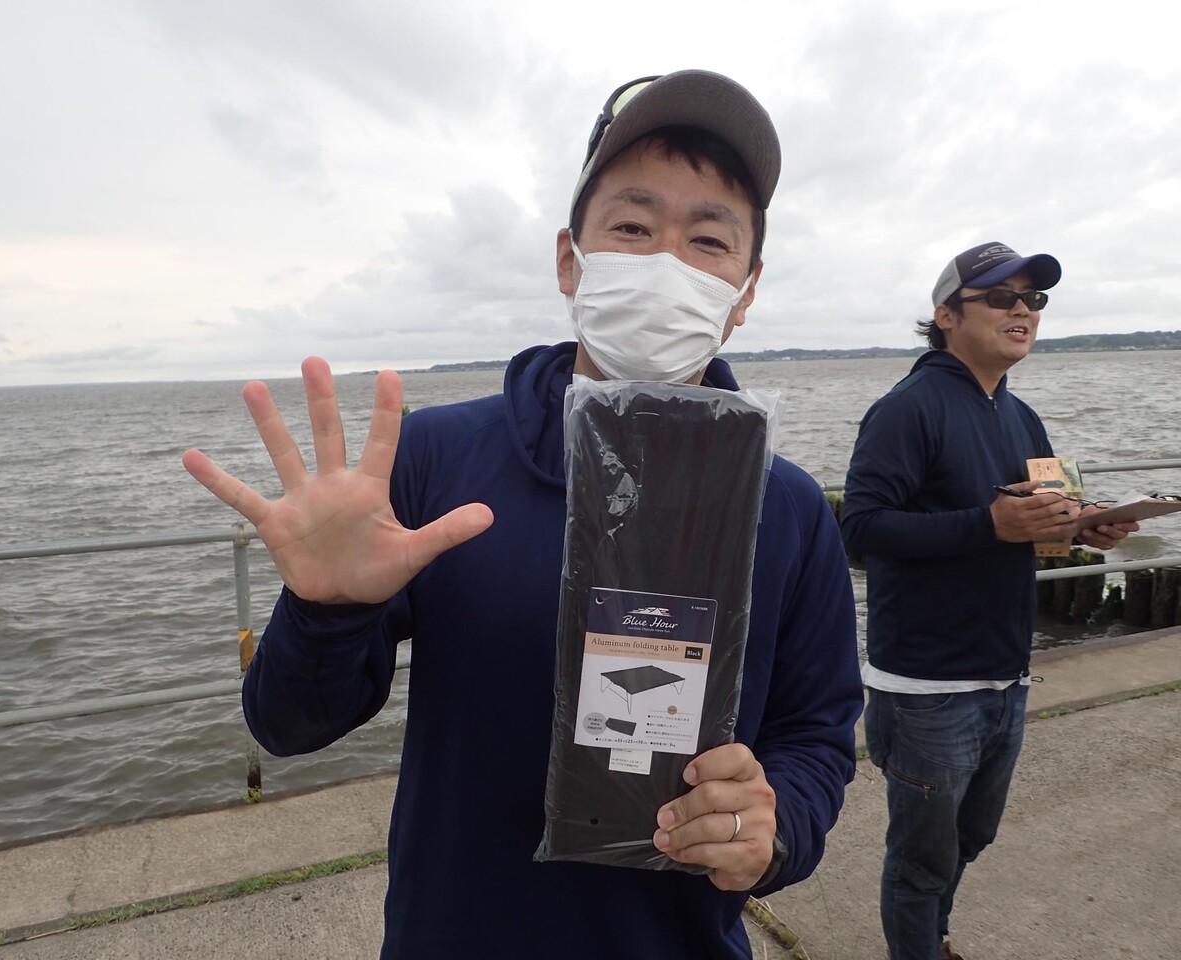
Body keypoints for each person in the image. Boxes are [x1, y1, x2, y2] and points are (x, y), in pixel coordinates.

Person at [184, 70, 863, 959]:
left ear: (746, 289)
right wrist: (324, 611)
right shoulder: (435, 457)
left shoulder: (791, 507)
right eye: (632, 228)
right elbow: (288, 725)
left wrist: (774, 830)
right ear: (570, 261)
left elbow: (816, 735)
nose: (666, 264)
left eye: (708, 240)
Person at [840, 242, 1138, 960]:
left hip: (1007, 671)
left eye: (1033, 300)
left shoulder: (1021, 415)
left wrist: (1085, 525)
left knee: (972, 836)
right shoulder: (907, 408)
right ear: (946, 316)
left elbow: (1046, 517)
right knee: (920, 861)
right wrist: (988, 525)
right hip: (928, 685)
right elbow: (861, 526)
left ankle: (933, 937)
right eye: (1002, 298)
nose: (1022, 310)